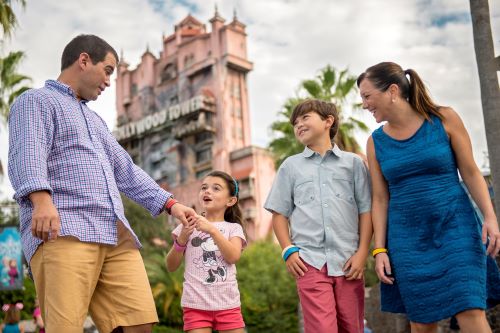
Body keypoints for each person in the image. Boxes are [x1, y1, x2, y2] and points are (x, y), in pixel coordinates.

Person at [7, 34, 196, 333]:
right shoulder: (36, 101)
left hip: (115, 233)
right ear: (84, 60)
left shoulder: (97, 122)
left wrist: (172, 204)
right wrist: (41, 201)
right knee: (65, 328)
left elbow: (127, 170)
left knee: (139, 325)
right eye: (107, 70)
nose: (109, 82)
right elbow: (27, 151)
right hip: (64, 228)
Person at [358, 61, 500, 333]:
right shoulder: (375, 142)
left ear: (392, 90)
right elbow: (379, 199)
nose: (364, 104)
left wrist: (490, 217)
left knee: (470, 308)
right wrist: (379, 250)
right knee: (422, 324)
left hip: (455, 227)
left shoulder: (444, 118)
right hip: (407, 240)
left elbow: (470, 172)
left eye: (367, 96)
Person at [264, 99, 372, 333]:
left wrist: (363, 252)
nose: (298, 125)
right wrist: (288, 251)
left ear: (328, 121)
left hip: (349, 262)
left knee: (352, 328)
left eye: (305, 118)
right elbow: (279, 214)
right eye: (295, 122)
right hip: (309, 263)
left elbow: (366, 210)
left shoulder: (353, 164)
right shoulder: (290, 167)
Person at [166, 170, 247, 333]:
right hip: (195, 305)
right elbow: (170, 266)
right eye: (204, 188)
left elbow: (233, 256)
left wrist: (212, 230)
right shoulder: (186, 225)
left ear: (231, 200)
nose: (207, 191)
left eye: (216, 188)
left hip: (228, 305)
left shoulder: (233, 228)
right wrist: (182, 239)